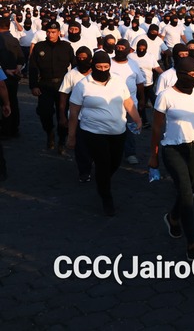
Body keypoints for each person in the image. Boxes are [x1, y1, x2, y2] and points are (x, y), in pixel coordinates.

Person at [149, 57, 194, 261]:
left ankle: (173, 217)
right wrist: (153, 155)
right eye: (190, 75)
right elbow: (156, 128)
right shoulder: (165, 96)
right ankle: (192, 242)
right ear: (180, 75)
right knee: (186, 191)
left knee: (189, 189)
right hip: (172, 148)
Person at [66, 51, 143, 216]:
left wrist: (137, 118)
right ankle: (106, 198)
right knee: (103, 163)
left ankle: (103, 179)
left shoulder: (118, 81)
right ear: (93, 66)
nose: (102, 70)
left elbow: (128, 101)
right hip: (93, 132)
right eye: (99, 67)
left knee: (114, 163)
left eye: (105, 67)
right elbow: (74, 112)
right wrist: (71, 136)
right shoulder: (83, 85)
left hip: (118, 131)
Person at [28, 21, 74, 153]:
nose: (50, 34)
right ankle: (49, 132)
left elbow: (75, 65)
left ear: (59, 32)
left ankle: (62, 140)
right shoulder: (39, 47)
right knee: (44, 112)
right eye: (48, 32)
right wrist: (33, 86)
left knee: (63, 114)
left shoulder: (66, 47)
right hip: (45, 85)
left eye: (53, 32)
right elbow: (33, 67)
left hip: (63, 85)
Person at [58, 47, 94, 181]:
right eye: (79, 58)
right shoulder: (71, 75)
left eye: (85, 58)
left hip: (95, 117)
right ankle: (84, 171)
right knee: (81, 147)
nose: (82, 60)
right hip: (77, 117)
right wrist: (62, 116)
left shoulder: (97, 73)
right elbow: (63, 96)